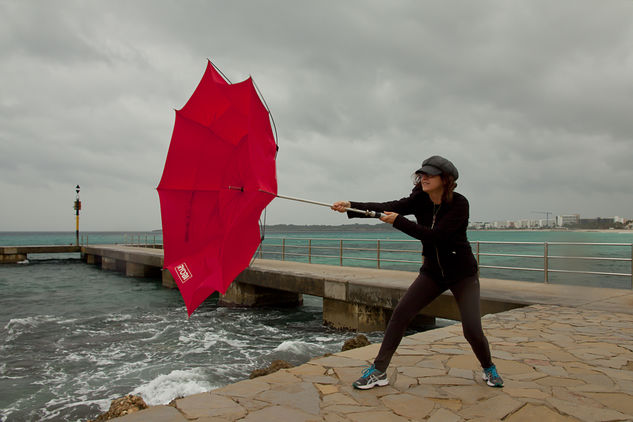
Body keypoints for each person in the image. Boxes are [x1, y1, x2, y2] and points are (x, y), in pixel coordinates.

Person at [331, 155, 503, 389]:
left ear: (446, 179)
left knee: (472, 329)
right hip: (432, 272)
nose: (424, 178)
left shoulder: (460, 204)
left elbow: (437, 237)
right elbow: (388, 207)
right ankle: (379, 371)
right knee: (400, 315)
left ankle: (488, 368)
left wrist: (398, 222)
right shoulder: (420, 199)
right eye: (422, 174)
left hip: (462, 274)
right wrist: (350, 206)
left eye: (430, 174)